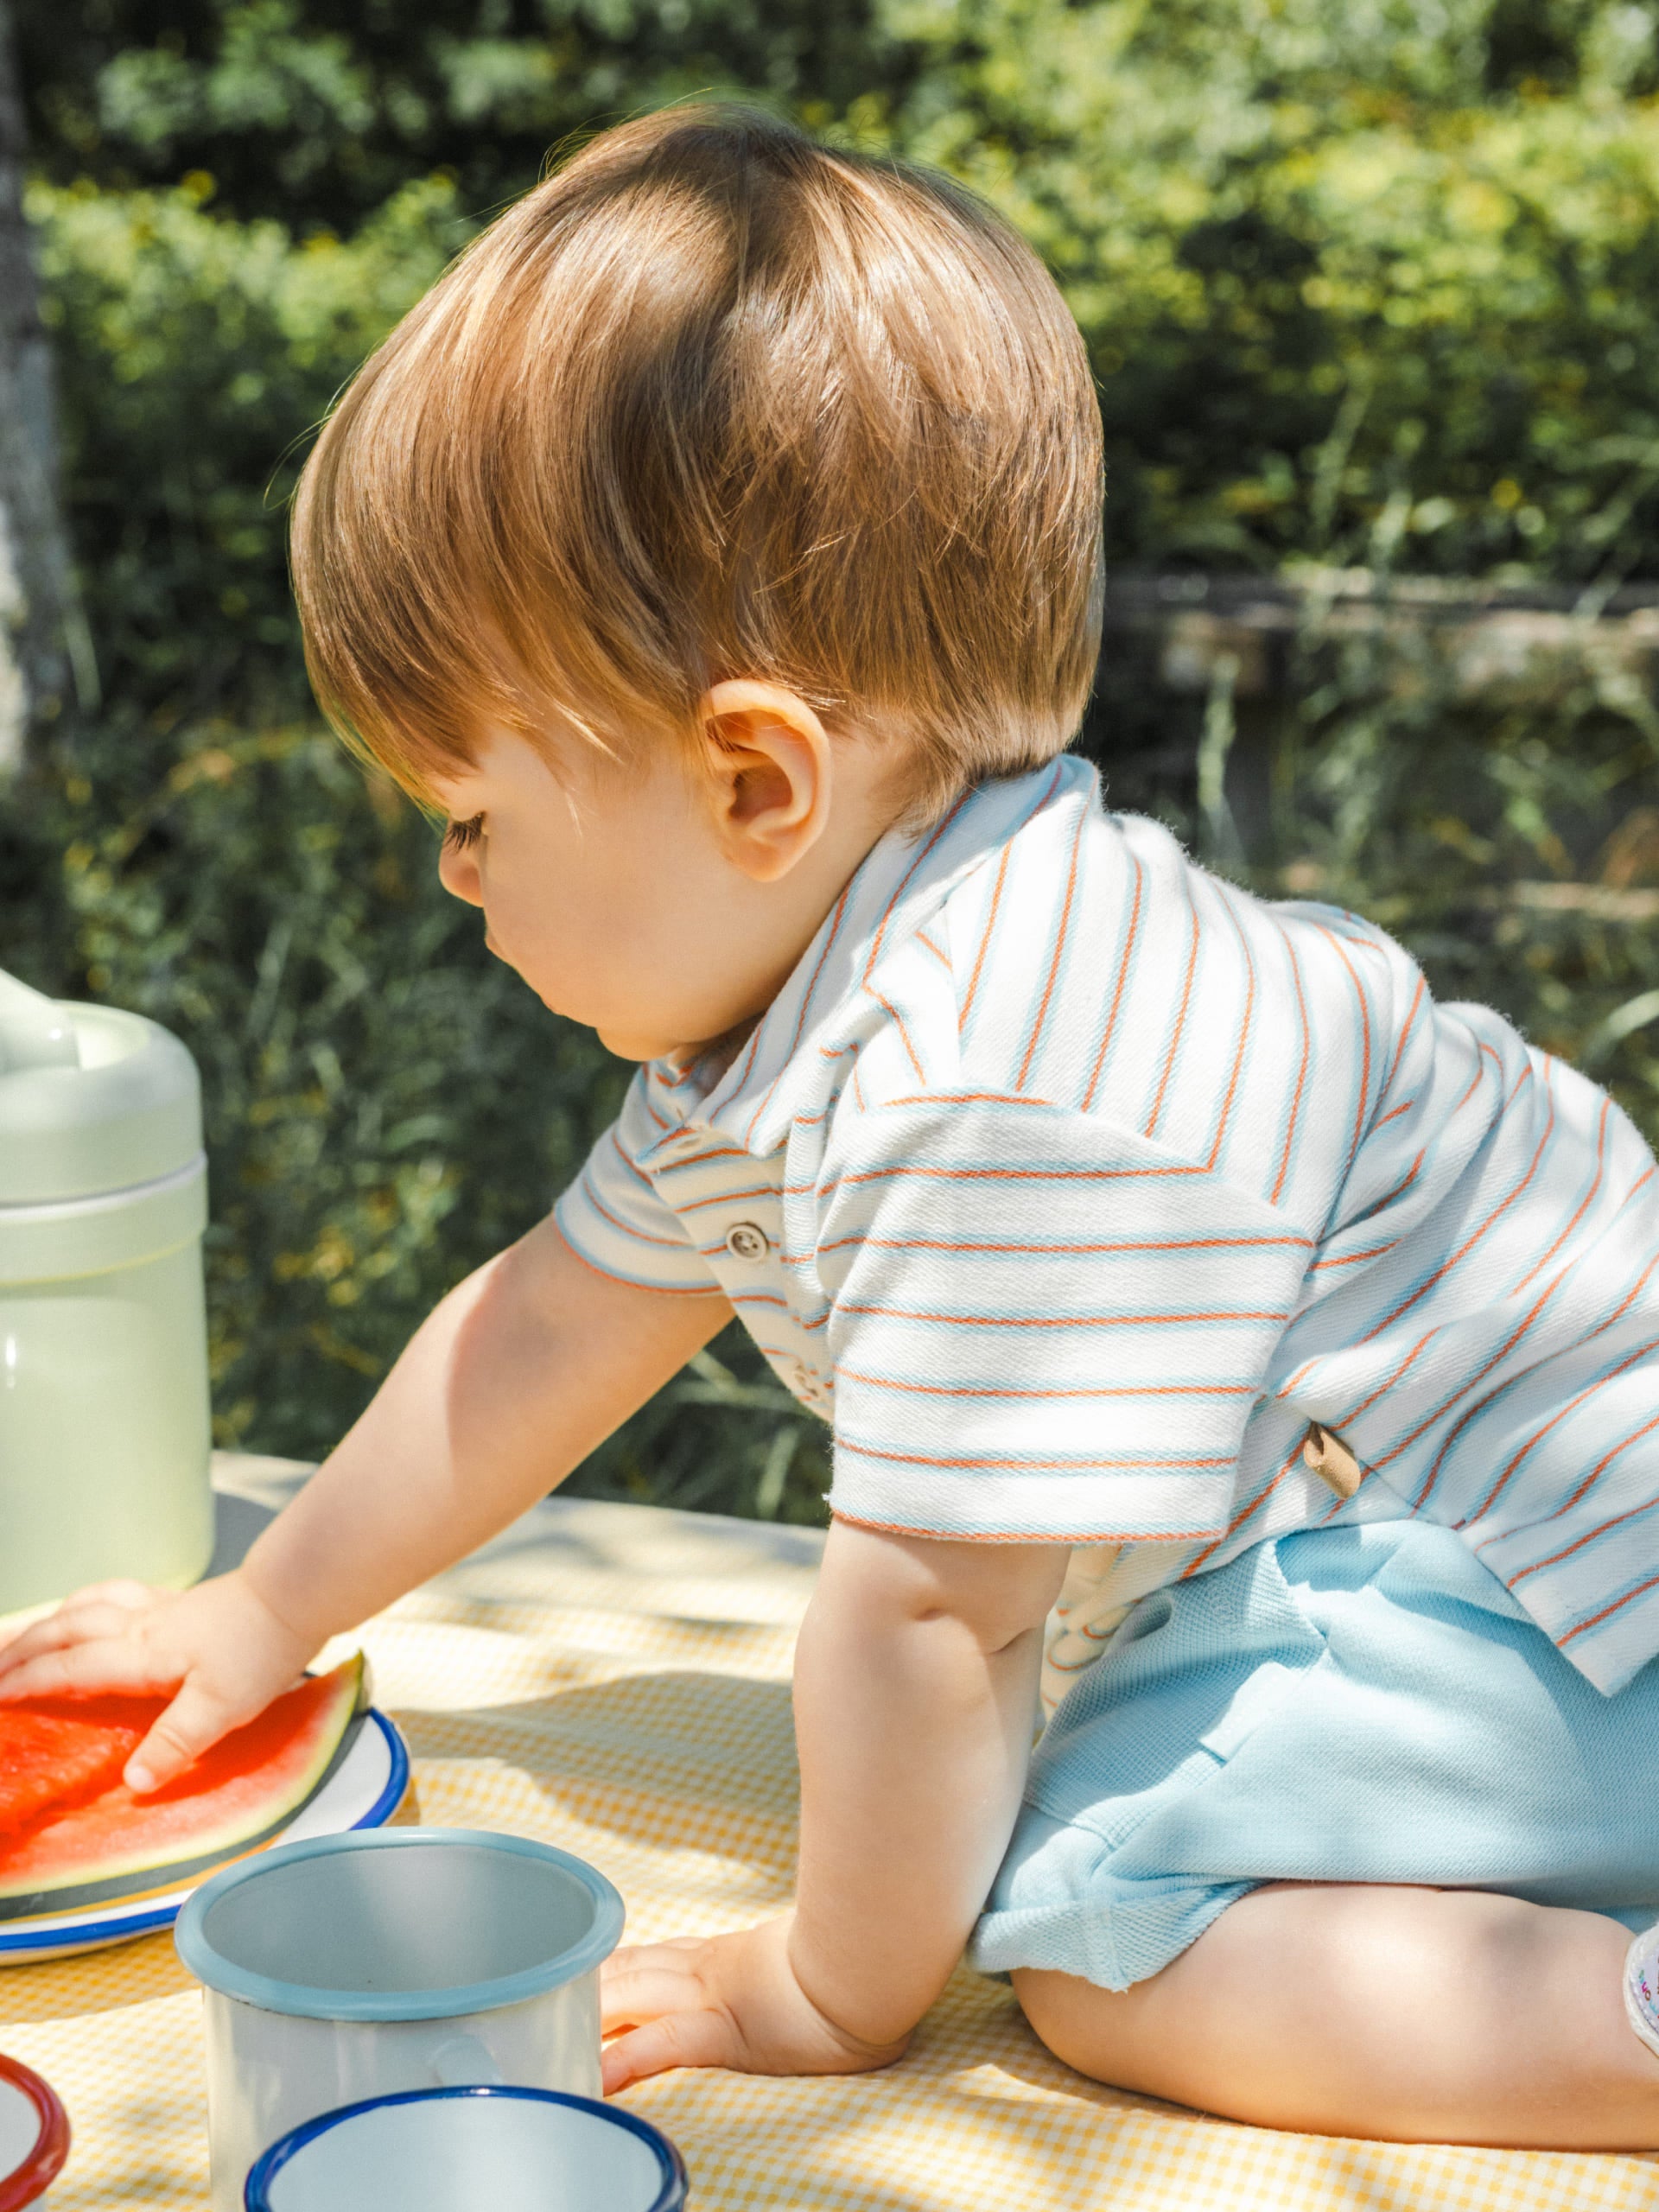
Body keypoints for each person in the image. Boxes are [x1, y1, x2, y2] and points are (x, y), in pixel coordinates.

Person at [5, 104, 1659, 2149]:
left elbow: (932, 1613)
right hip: (1479, 1537)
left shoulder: (991, 1069)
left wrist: (826, 1981)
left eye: (471, 813)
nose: (450, 879)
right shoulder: (806, 1007)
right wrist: (258, 1614)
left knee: (1110, 1948)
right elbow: (550, 1319)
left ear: (759, 781)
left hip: (1536, 1572)